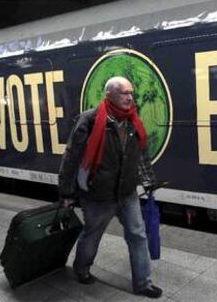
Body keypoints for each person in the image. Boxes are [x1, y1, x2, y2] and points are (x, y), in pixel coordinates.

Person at [58, 77, 162, 298]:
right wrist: (66, 193)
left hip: (126, 192)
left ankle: (143, 283)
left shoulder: (133, 120)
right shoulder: (89, 120)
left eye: (131, 93)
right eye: (124, 93)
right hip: (98, 194)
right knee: (92, 235)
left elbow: (141, 154)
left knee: (138, 235)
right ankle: (82, 268)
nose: (130, 97)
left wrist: (149, 181)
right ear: (109, 95)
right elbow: (71, 158)